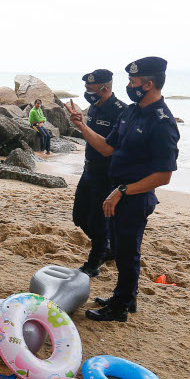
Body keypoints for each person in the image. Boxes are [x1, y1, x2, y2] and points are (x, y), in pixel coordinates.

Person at [66, 57, 180, 322]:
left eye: (133, 81)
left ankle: (120, 307)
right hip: (117, 191)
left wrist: (123, 191)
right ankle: (126, 298)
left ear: (148, 84)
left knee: (128, 252)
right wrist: (82, 126)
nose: (129, 85)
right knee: (118, 249)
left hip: (135, 196)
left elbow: (164, 175)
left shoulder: (162, 122)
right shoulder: (131, 112)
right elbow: (108, 147)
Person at [73, 69, 127, 277]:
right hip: (89, 169)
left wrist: (81, 126)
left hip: (107, 174)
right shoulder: (94, 108)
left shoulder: (120, 111)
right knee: (79, 217)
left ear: (104, 88)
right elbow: (92, 136)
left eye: (90, 88)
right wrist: (82, 123)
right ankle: (107, 247)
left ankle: (93, 263)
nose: (87, 92)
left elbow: (108, 148)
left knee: (97, 220)